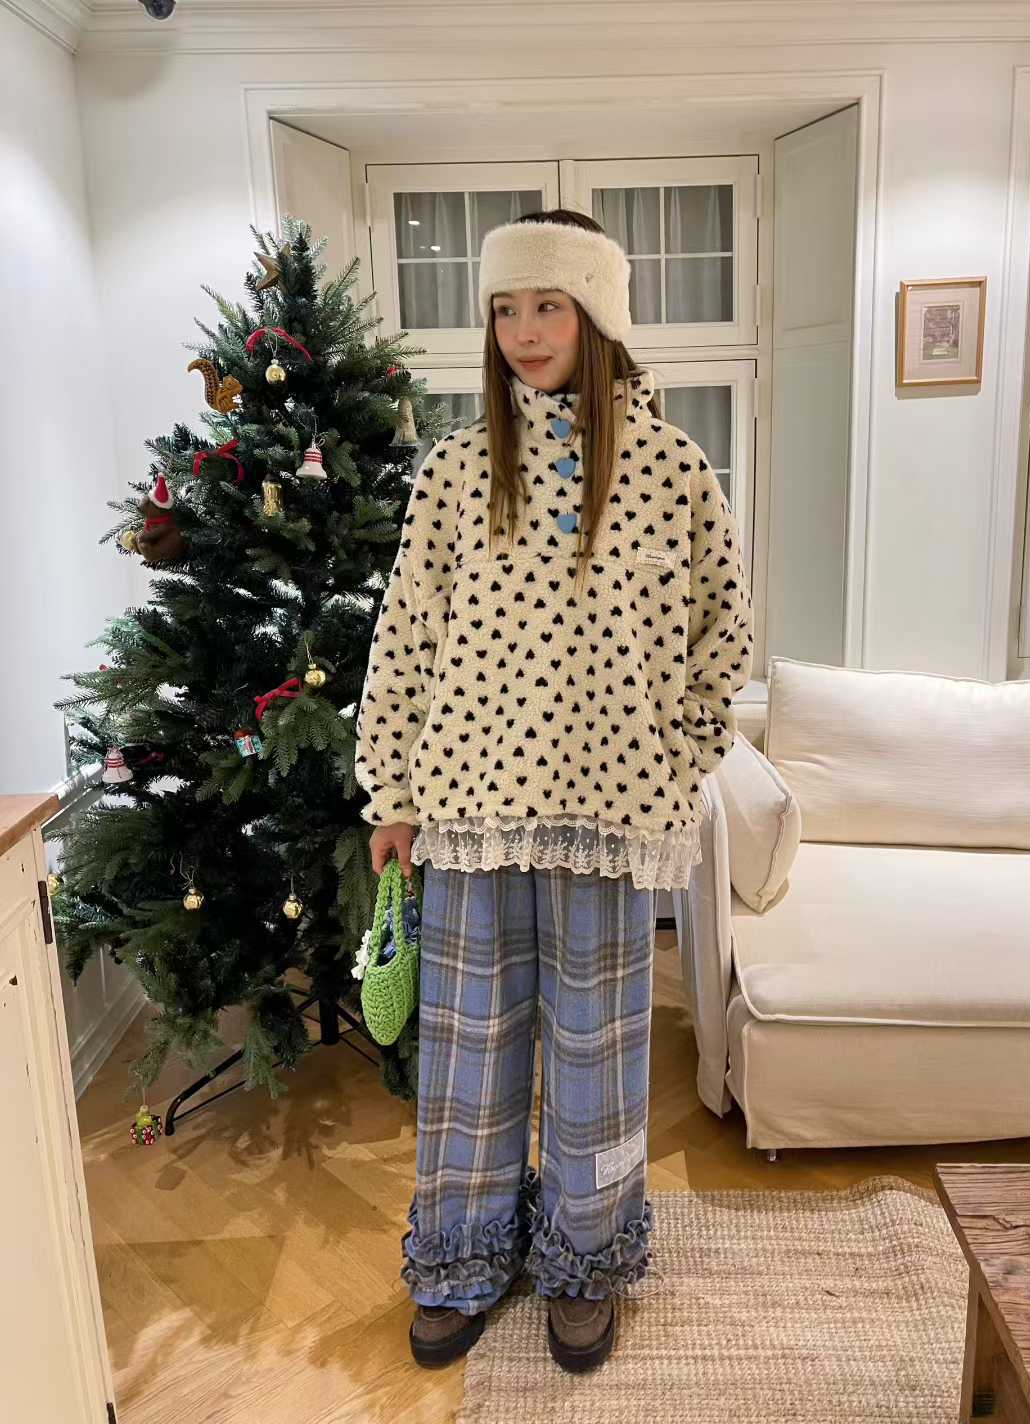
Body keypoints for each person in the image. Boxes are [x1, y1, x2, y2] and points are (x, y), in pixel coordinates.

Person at [355, 209, 754, 1372]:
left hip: (612, 817)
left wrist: (678, 756)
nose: (524, 331)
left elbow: (723, 635)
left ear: (597, 315)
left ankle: (585, 1259)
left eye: (548, 305)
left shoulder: (673, 469)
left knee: (596, 1059)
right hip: (471, 809)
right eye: (504, 308)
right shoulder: (454, 471)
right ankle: (464, 1257)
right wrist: (391, 790)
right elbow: (405, 638)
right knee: (470, 1053)